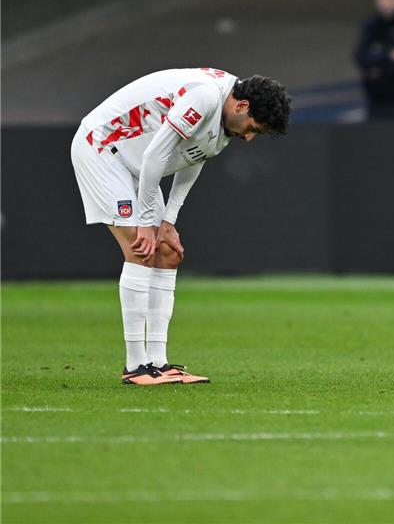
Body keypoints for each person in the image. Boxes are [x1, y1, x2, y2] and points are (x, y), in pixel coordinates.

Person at [70, 68, 292, 385]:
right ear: (242, 106)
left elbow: (191, 160)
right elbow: (154, 156)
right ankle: (135, 367)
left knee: (168, 252)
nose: (249, 137)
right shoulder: (206, 97)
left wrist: (168, 222)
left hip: (133, 162)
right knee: (140, 248)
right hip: (102, 147)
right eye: (253, 127)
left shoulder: (227, 117)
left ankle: (158, 363)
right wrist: (146, 222)